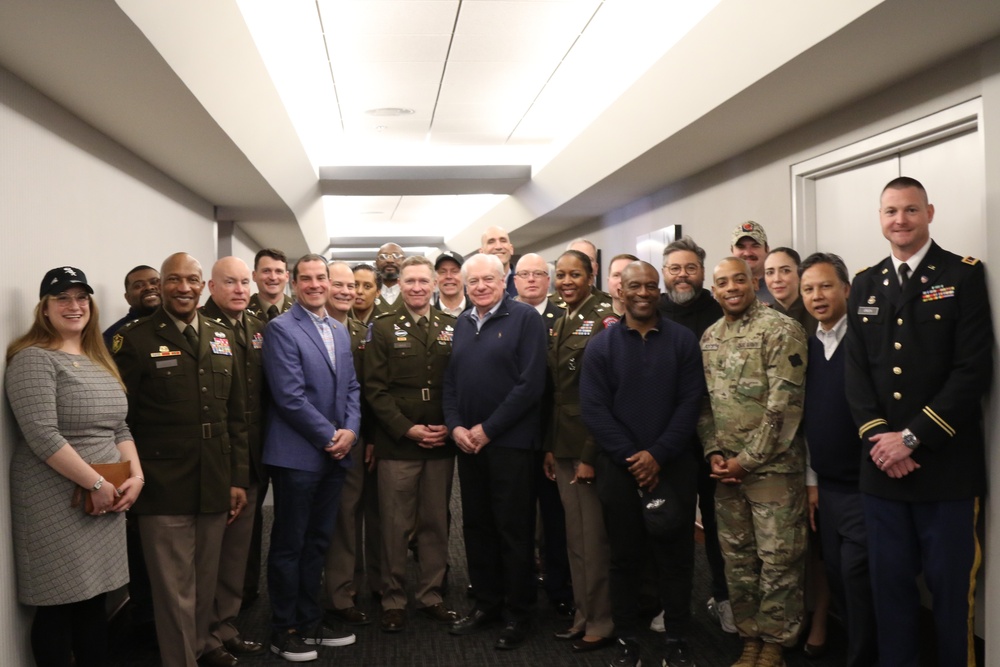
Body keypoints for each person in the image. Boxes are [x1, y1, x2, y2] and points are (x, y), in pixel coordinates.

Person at [845, 176, 993, 667]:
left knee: (952, 597)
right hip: (882, 474)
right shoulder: (865, 284)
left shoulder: (963, 275)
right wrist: (879, 442)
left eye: (910, 210)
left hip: (945, 469)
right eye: (890, 212)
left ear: (929, 213)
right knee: (890, 595)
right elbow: (857, 374)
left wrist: (910, 438)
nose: (900, 220)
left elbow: (974, 369)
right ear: (880, 218)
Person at [113, 252, 249, 667]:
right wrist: (131, 478)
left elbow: (236, 415)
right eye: (174, 280)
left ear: (204, 285)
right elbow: (120, 421)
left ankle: (203, 644)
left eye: (192, 279)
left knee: (205, 579)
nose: (184, 288)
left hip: (214, 476)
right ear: (161, 285)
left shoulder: (220, 334)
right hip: (162, 481)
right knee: (173, 589)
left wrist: (238, 477)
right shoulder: (133, 340)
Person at [6, 266, 144, 667]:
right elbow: (42, 435)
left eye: (81, 297)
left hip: (105, 492)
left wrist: (136, 476)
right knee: (57, 605)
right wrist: (97, 482)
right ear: (44, 308)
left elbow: (120, 425)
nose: (74, 305)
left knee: (94, 600)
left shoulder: (97, 357)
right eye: (61, 298)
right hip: (55, 498)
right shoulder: (33, 359)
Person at [580, 261, 704, 667]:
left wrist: (659, 454)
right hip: (620, 468)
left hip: (674, 465)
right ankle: (628, 639)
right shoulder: (601, 345)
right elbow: (594, 410)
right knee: (625, 557)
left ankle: (678, 638)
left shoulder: (683, 341)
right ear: (621, 290)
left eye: (652, 286)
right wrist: (635, 458)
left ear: (659, 290)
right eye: (635, 286)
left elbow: (690, 403)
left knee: (677, 558)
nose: (644, 293)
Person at [699, 257, 808, 667]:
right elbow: (704, 405)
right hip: (727, 473)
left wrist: (746, 460)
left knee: (778, 559)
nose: (731, 288)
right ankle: (750, 637)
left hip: (773, 471)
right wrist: (713, 451)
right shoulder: (709, 337)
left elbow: (785, 408)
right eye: (722, 282)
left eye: (738, 280)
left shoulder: (781, 329)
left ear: (753, 282)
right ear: (715, 290)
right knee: (739, 559)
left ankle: (776, 643)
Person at [444, 253, 547, 650]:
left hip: (511, 445)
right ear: (465, 287)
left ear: (505, 280)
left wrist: (488, 429)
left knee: (513, 530)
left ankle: (518, 613)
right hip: (469, 446)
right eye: (474, 282)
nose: (481, 286)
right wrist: (455, 426)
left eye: (489, 279)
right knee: (477, 527)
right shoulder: (462, 322)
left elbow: (530, 384)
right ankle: (486, 604)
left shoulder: (525, 319)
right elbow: (450, 382)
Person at [262, 254, 360, 662]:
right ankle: (282, 628)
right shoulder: (281, 329)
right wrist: (329, 436)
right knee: (290, 544)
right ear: (293, 284)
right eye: (307, 279)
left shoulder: (339, 330)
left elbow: (352, 386)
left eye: (322, 278)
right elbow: (289, 395)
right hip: (298, 456)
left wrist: (351, 432)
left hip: (334, 456)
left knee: (318, 541)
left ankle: (309, 620)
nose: (316, 285)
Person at [364, 256, 459, 632]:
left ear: (435, 284)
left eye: (424, 281)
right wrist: (407, 429)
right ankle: (393, 598)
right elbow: (374, 389)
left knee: (436, 521)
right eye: (410, 281)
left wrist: (449, 426)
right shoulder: (382, 327)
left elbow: (460, 382)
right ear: (399, 285)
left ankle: (431, 595)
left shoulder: (452, 326)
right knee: (395, 524)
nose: (417, 287)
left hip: (440, 440)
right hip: (398, 442)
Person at [799, 252, 877, 667]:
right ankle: (855, 650)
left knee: (858, 579)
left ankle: (863, 657)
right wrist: (812, 482)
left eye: (826, 286)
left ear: (846, 289)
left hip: (864, 487)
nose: (818, 296)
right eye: (808, 289)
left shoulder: (866, 340)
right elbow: (811, 421)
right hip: (825, 489)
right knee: (837, 578)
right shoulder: (810, 346)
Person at [656, 236, 733, 635]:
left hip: (719, 440)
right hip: (672, 442)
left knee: (720, 528)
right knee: (673, 526)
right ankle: (673, 606)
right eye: (674, 268)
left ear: (702, 273)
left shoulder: (720, 310)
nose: (682, 276)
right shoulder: (653, 313)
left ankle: (724, 597)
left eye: (690, 268)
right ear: (663, 272)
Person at [543, 250, 618, 654]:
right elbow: (557, 394)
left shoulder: (604, 318)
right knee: (575, 537)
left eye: (575, 274)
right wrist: (552, 447)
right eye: (561, 275)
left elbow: (604, 395)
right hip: (565, 443)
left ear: (592, 275)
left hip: (591, 445)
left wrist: (589, 453)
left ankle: (602, 620)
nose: (566, 281)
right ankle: (582, 614)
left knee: (593, 539)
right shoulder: (562, 318)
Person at [201, 257, 268, 661]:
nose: (240, 289)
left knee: (236, 554)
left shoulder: (257, 327)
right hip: (215, 460)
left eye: (245, 282)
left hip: (253, 457)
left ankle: (225, 625)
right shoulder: (201, 327)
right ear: (212, 286)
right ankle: (203, 633)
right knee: (209, 555)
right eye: (231, 282)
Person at [513, 253, 574, 616]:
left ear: (549, 281)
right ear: (514, 280)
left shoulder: (564, 317)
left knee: (556, 518)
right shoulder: (504, 316)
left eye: (539, 274)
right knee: (517, 516)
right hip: (516, 435)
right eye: (525, 274)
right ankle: (518, 586)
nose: (532, 280)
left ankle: (559, 586)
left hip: (555, 435)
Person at [323, 262, 381, 628]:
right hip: (322, 439)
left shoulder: (364, 332)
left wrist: (368, 435)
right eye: (341, 285)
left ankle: (364, 584)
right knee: (342, 519)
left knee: (367, 514)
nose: (350, 292)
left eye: (357, 286)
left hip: (359, 438)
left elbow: (371, 389)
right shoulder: (310, 330)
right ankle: (339, 593)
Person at [102, 264, 161, 349]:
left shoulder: (180, 324)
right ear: (128, 298)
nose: (148, 287)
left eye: (154, 282)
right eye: (138, 286)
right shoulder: (115, 335)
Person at [765, 247, 818, 336]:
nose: (777, 279)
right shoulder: (760, 319)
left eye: (785, 271)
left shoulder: (817, 314)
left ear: (800, 274)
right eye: (770, 272)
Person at [731, 221, 775, 305]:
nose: (748, 253)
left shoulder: (779, 287)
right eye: (741, 247)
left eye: (755, 246)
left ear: (767, 249)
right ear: (732, 251)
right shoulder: (723, 291)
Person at [247, 248, 293, 322]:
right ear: (254, 276)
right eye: (266, 271)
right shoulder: (241, 311)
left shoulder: (300, 311)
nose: (273, 277)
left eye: (279, 271)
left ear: (287, 276)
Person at [479, 226, 518, 297]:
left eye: (503, 241)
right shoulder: (474, 288)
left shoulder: (524, 283)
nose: (498, 246)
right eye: (491, 242)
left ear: (511, 249)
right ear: (481, 252)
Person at [433, 251, 467, 316]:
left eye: (455, 271)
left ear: (464, 276)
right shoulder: (429, 316)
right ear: (435, 278)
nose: (448, 276)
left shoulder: (479, 312)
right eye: (442, 272)